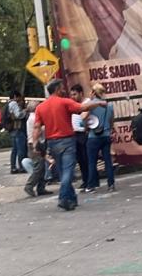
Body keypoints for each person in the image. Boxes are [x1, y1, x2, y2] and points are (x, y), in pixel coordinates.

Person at [33, 79, 107, 211]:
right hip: (67, 140)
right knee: (68, 171)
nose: (64, 91)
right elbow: (83, 108)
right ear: (57, 89)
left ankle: (71, 199)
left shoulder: (41, 107)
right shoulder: (64, 101)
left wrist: (34, 143)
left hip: (52, 142)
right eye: (62, 88)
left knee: (62, 171)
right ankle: (63, 198)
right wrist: (99, 102)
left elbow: (37, 127)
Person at [85, 84, 115, 193]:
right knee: (107, 160)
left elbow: (84, 118)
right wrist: (109, 130)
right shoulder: (109, 105)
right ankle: (111, 184)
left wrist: (85, 127)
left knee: (92, 161)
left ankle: (91, 185)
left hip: (93, 136)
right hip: (106, 135)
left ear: (93, 92)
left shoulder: (91, 105)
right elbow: (112, 121)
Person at [24, 101, 51, 197]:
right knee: (38, 168)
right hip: (35, 145)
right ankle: (29, 185)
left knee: (42, 168)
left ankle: (41, 187)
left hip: (36, 144)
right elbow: (38, 130)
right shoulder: (34, 118)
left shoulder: (31, 117)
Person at [69, 84, 89, 190]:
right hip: (74, 134)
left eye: (75, 94)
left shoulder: (86, 104)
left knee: (85, 158)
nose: (73, 97)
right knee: (80, 160)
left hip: (83, 134)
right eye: (71, 94)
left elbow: (84, 116)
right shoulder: (73, 104)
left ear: (81, 93)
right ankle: (85, 180)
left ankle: (89, 180)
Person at [7, 91, 27, 174]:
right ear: (15, 96)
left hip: (13, 130)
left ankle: (13, 167)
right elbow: (18, 115)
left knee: (14, 150)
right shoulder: (13, 103)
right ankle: (22, 167)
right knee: (20, 150)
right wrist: (25, 111)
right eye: (19, 98)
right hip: (18, 129)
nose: (20, 100)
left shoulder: (8, 104)